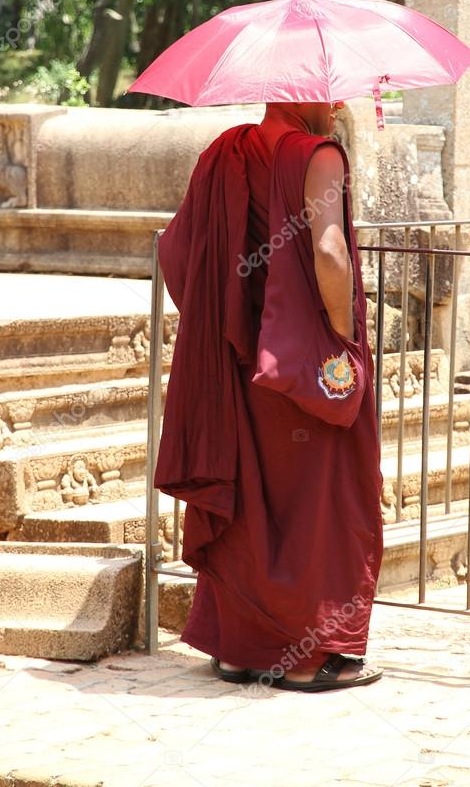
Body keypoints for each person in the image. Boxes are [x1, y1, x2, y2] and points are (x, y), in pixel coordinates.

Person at [154, 100, 384, 692]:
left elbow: (178, 251)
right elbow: (330, 252)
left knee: (251, 507)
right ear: (301, 95)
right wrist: (340, 337)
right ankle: (308, 659)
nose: (337, 105)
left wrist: (230, 320)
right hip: (306, 367)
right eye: (329, 93)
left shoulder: (223, 152)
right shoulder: (317, 155)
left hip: (239, 366)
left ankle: (238, 652)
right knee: (320, 507)